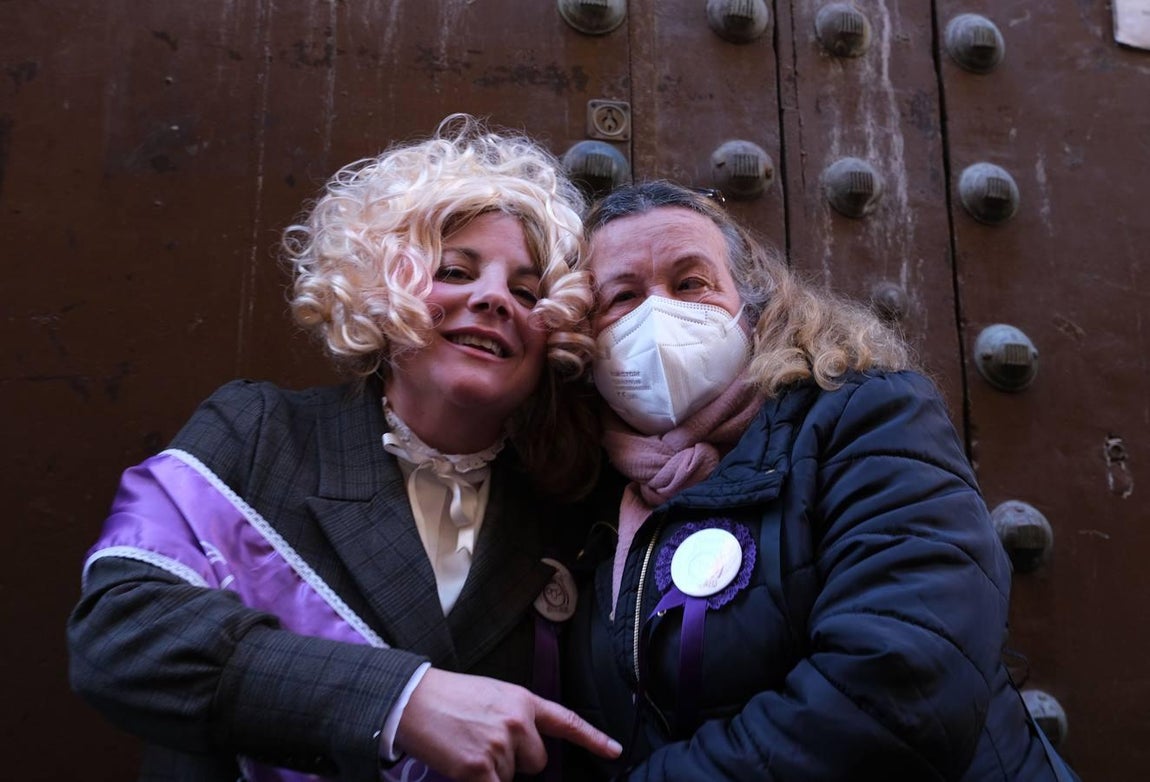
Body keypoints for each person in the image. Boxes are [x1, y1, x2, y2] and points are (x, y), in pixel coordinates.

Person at [67, 115, 621, 782]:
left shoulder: (565, 505)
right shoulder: (258, 431)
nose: (493, 298)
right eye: (454, 270)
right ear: (382, 286)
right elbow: (122, 632)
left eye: (527, 292)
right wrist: (397, 701)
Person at [562, 181, 1080, 780]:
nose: (659, 314)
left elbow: (899, 685)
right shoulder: (579, 488)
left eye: (691, 283)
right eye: (623, 296)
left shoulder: (866, 418)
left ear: (750, 307)